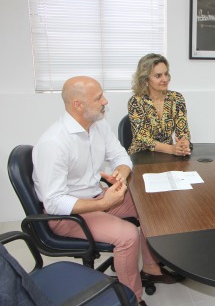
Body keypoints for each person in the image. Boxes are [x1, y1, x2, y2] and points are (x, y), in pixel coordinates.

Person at [32, 76, 182, 306]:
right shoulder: (53, 143)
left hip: (98, 196)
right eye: (98, 97)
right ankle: (132, 298)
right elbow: (54, 202)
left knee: (152, 203)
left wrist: (120, 174)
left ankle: (151, 267)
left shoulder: (98, 125)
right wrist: (103, 204)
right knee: (128, 235)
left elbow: (121, 156)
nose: (105, 101)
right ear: (78, 105)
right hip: (68, 214)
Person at [128, 53, 192, 155]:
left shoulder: (176, 98)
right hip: (141, 155)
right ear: (145, 79)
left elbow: (183, 130)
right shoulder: (136, 101)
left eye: (166, 74)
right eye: (158, 76)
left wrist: (184, 143)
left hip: (168, 156)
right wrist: (171, 149)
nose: (165, 79)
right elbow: (142, 139)